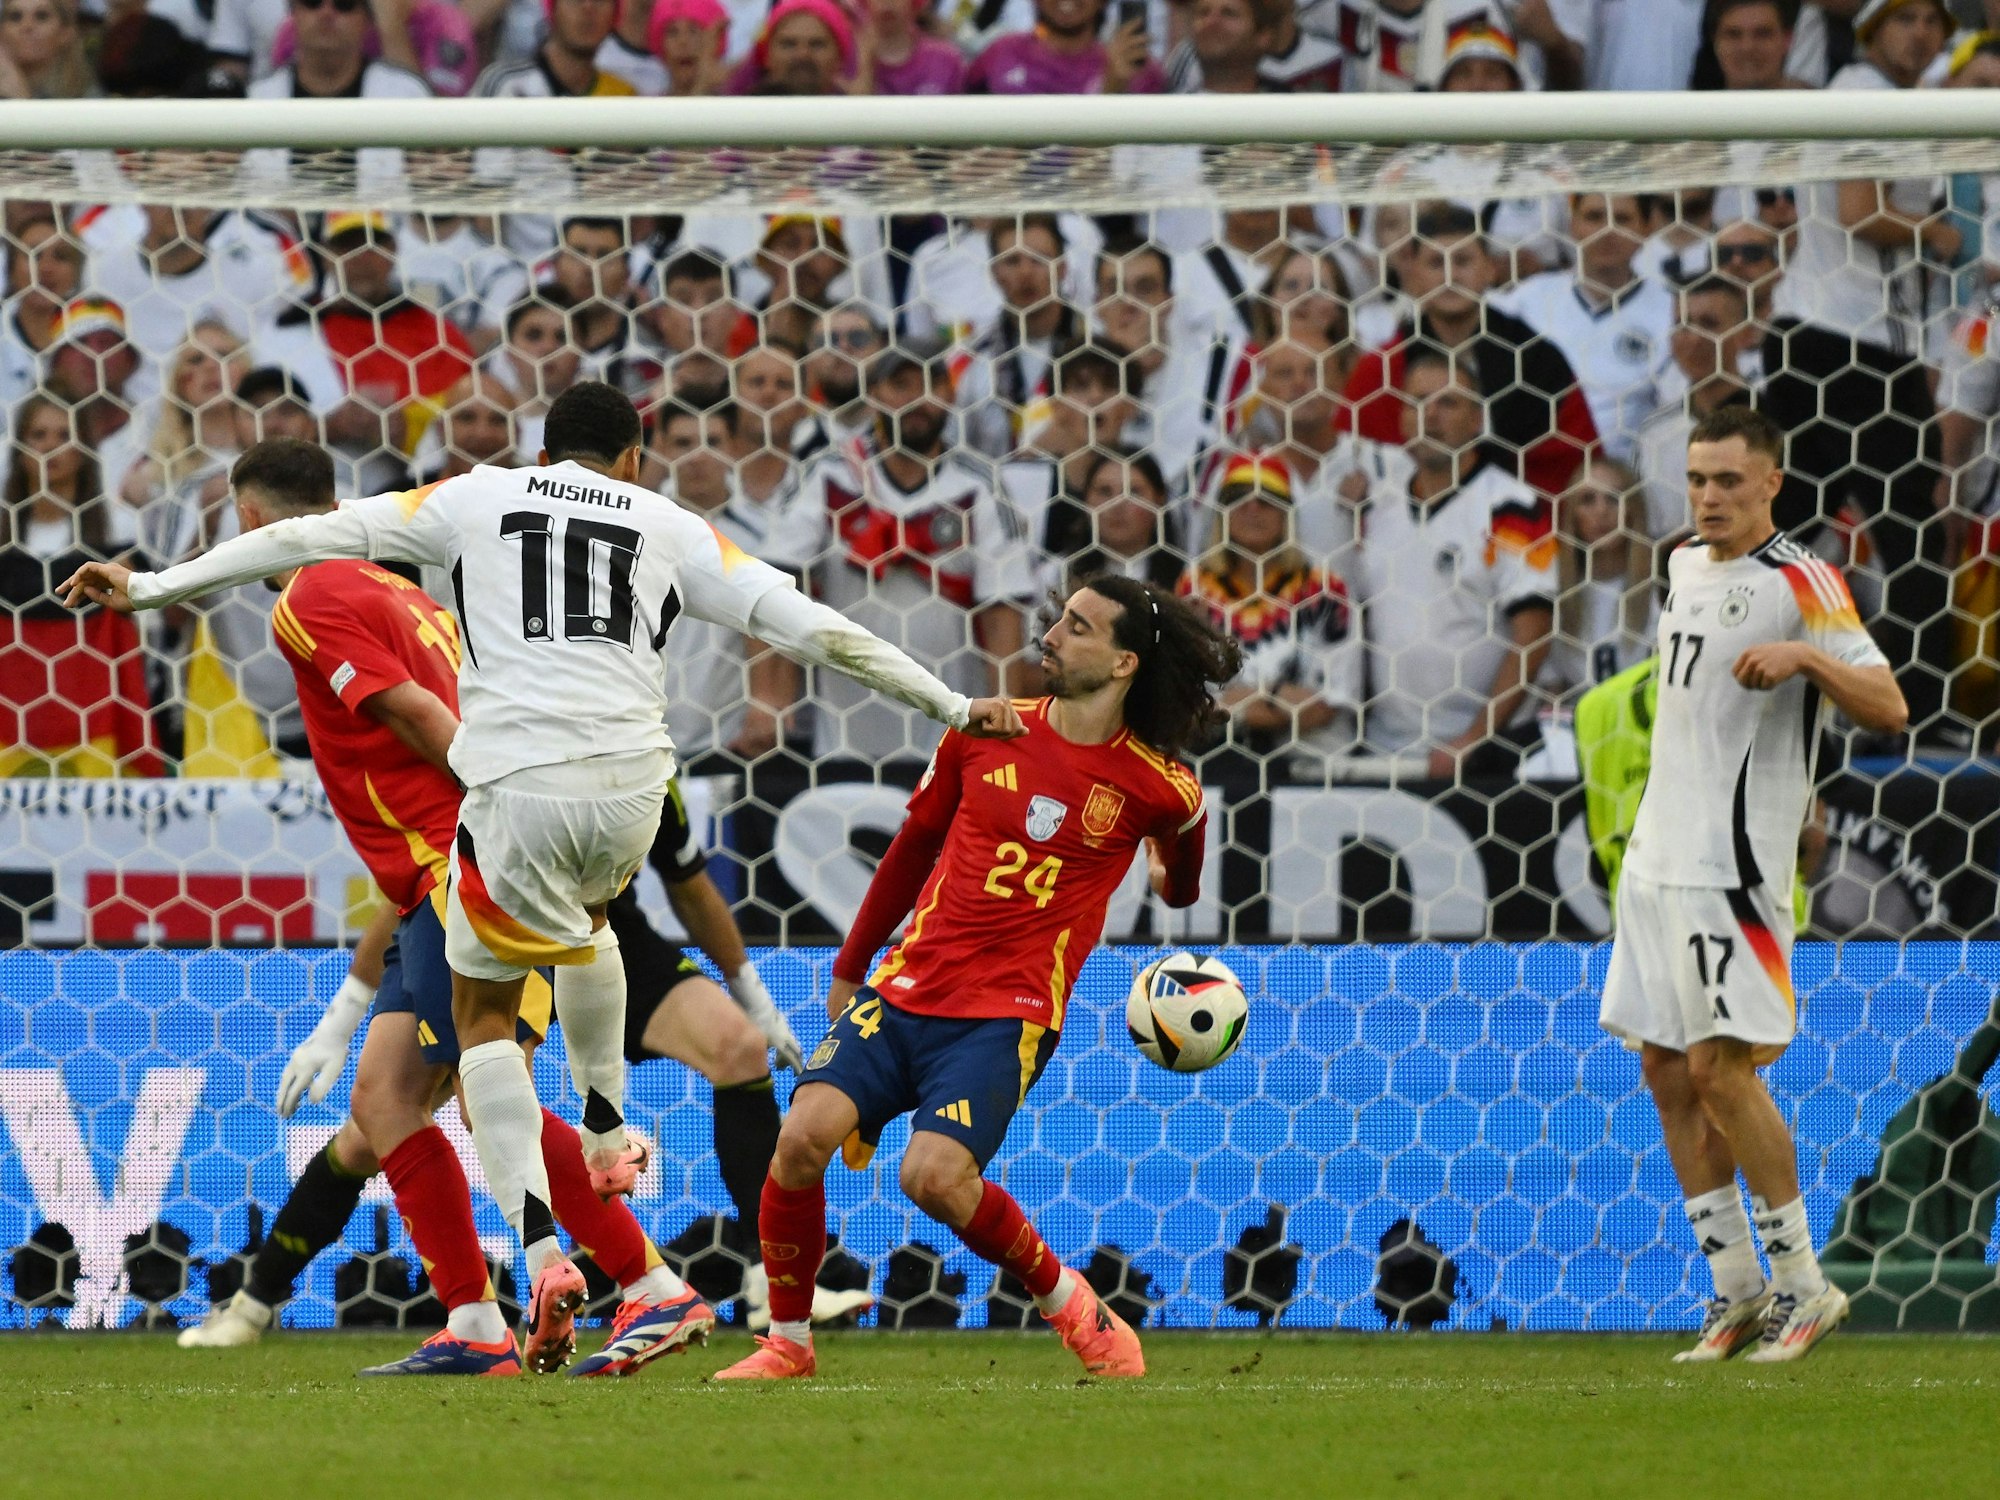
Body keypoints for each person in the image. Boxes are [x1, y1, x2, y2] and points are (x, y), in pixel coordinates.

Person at [61, 381, 1027, 1374]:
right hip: (631, 790)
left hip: (510, 794)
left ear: (539, 449)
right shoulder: (668, 521)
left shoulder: (473, 498)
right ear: (636, 458)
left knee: (486, 1046)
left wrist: (147, 590)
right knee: (498, 1007)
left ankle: (587, 1268)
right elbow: (809, 624)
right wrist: (953, 702)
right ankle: (558, 1200)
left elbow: (299, 540)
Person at [168, 441, 710, 1375]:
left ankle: (652, 1286)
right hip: (439, 877)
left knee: (480, 1078)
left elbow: (421, 719)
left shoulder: (310, 599)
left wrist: (500, 805)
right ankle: (473, 1322)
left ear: (253, 524)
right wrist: (347, 1009)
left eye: (238, 526)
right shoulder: (405, 593)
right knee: (384, 1097)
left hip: (475, 870)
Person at [713, 573, 1240, 1381]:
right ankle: (788, 1343)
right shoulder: (984, 730)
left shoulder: (1160, 787)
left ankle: (1073, 1306)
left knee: (933, 1179)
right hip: (904, 989)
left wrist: (1174, 862)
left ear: (1125, 662)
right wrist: (850, 968)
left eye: (1078, 626)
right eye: (1059, 616)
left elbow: (1184, 885)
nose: (1052, 634)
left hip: (1008, 1014)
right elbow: (912, 847)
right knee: (799, 1139)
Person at [1600, 405, 1907, 1364]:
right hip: (1656, 858)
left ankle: (1806, 1288)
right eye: (1697, 479)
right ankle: (1735, 1292)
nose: (1710, 497)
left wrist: (1808, 656)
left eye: (1730, 480)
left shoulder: (1802, 580)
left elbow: (1891, 705)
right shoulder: (1685, 563)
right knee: (1662, 1069)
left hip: (1732, 868)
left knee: (1720, 1072)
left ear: (1771, 482)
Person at [1345, 347, 1557, 775]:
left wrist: (1475, 738)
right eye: (1417, 402)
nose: (1430, 415)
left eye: (1448, 402)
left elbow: (1534, 632)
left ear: (1478, 419)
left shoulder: (1513, 507)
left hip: (1484, 755)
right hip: (1384, 750)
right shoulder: (1377, 505)